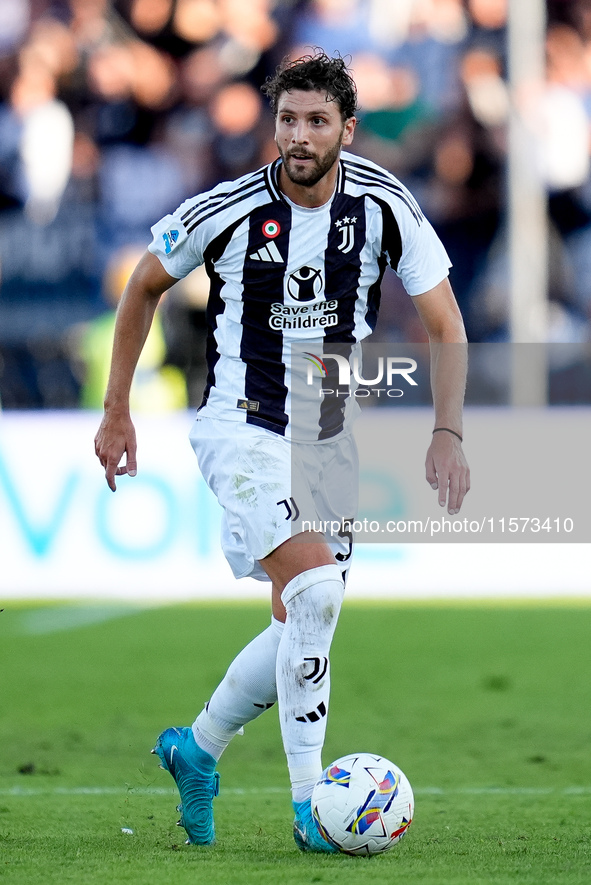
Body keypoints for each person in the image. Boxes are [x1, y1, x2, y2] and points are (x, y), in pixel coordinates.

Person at [94, 51, 470, 853]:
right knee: (317, 592)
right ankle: (310, 806)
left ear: (346, 129)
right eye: (288, 120)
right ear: (275, 125)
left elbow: (445, 324)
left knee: (301, 619)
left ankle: (195, 749)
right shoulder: (227, 208)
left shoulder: (383, 206)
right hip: (242, 426)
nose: (298, 136)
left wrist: (447, 431)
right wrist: (117, 409)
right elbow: (143, 285)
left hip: (328, 437)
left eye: (316, 121)